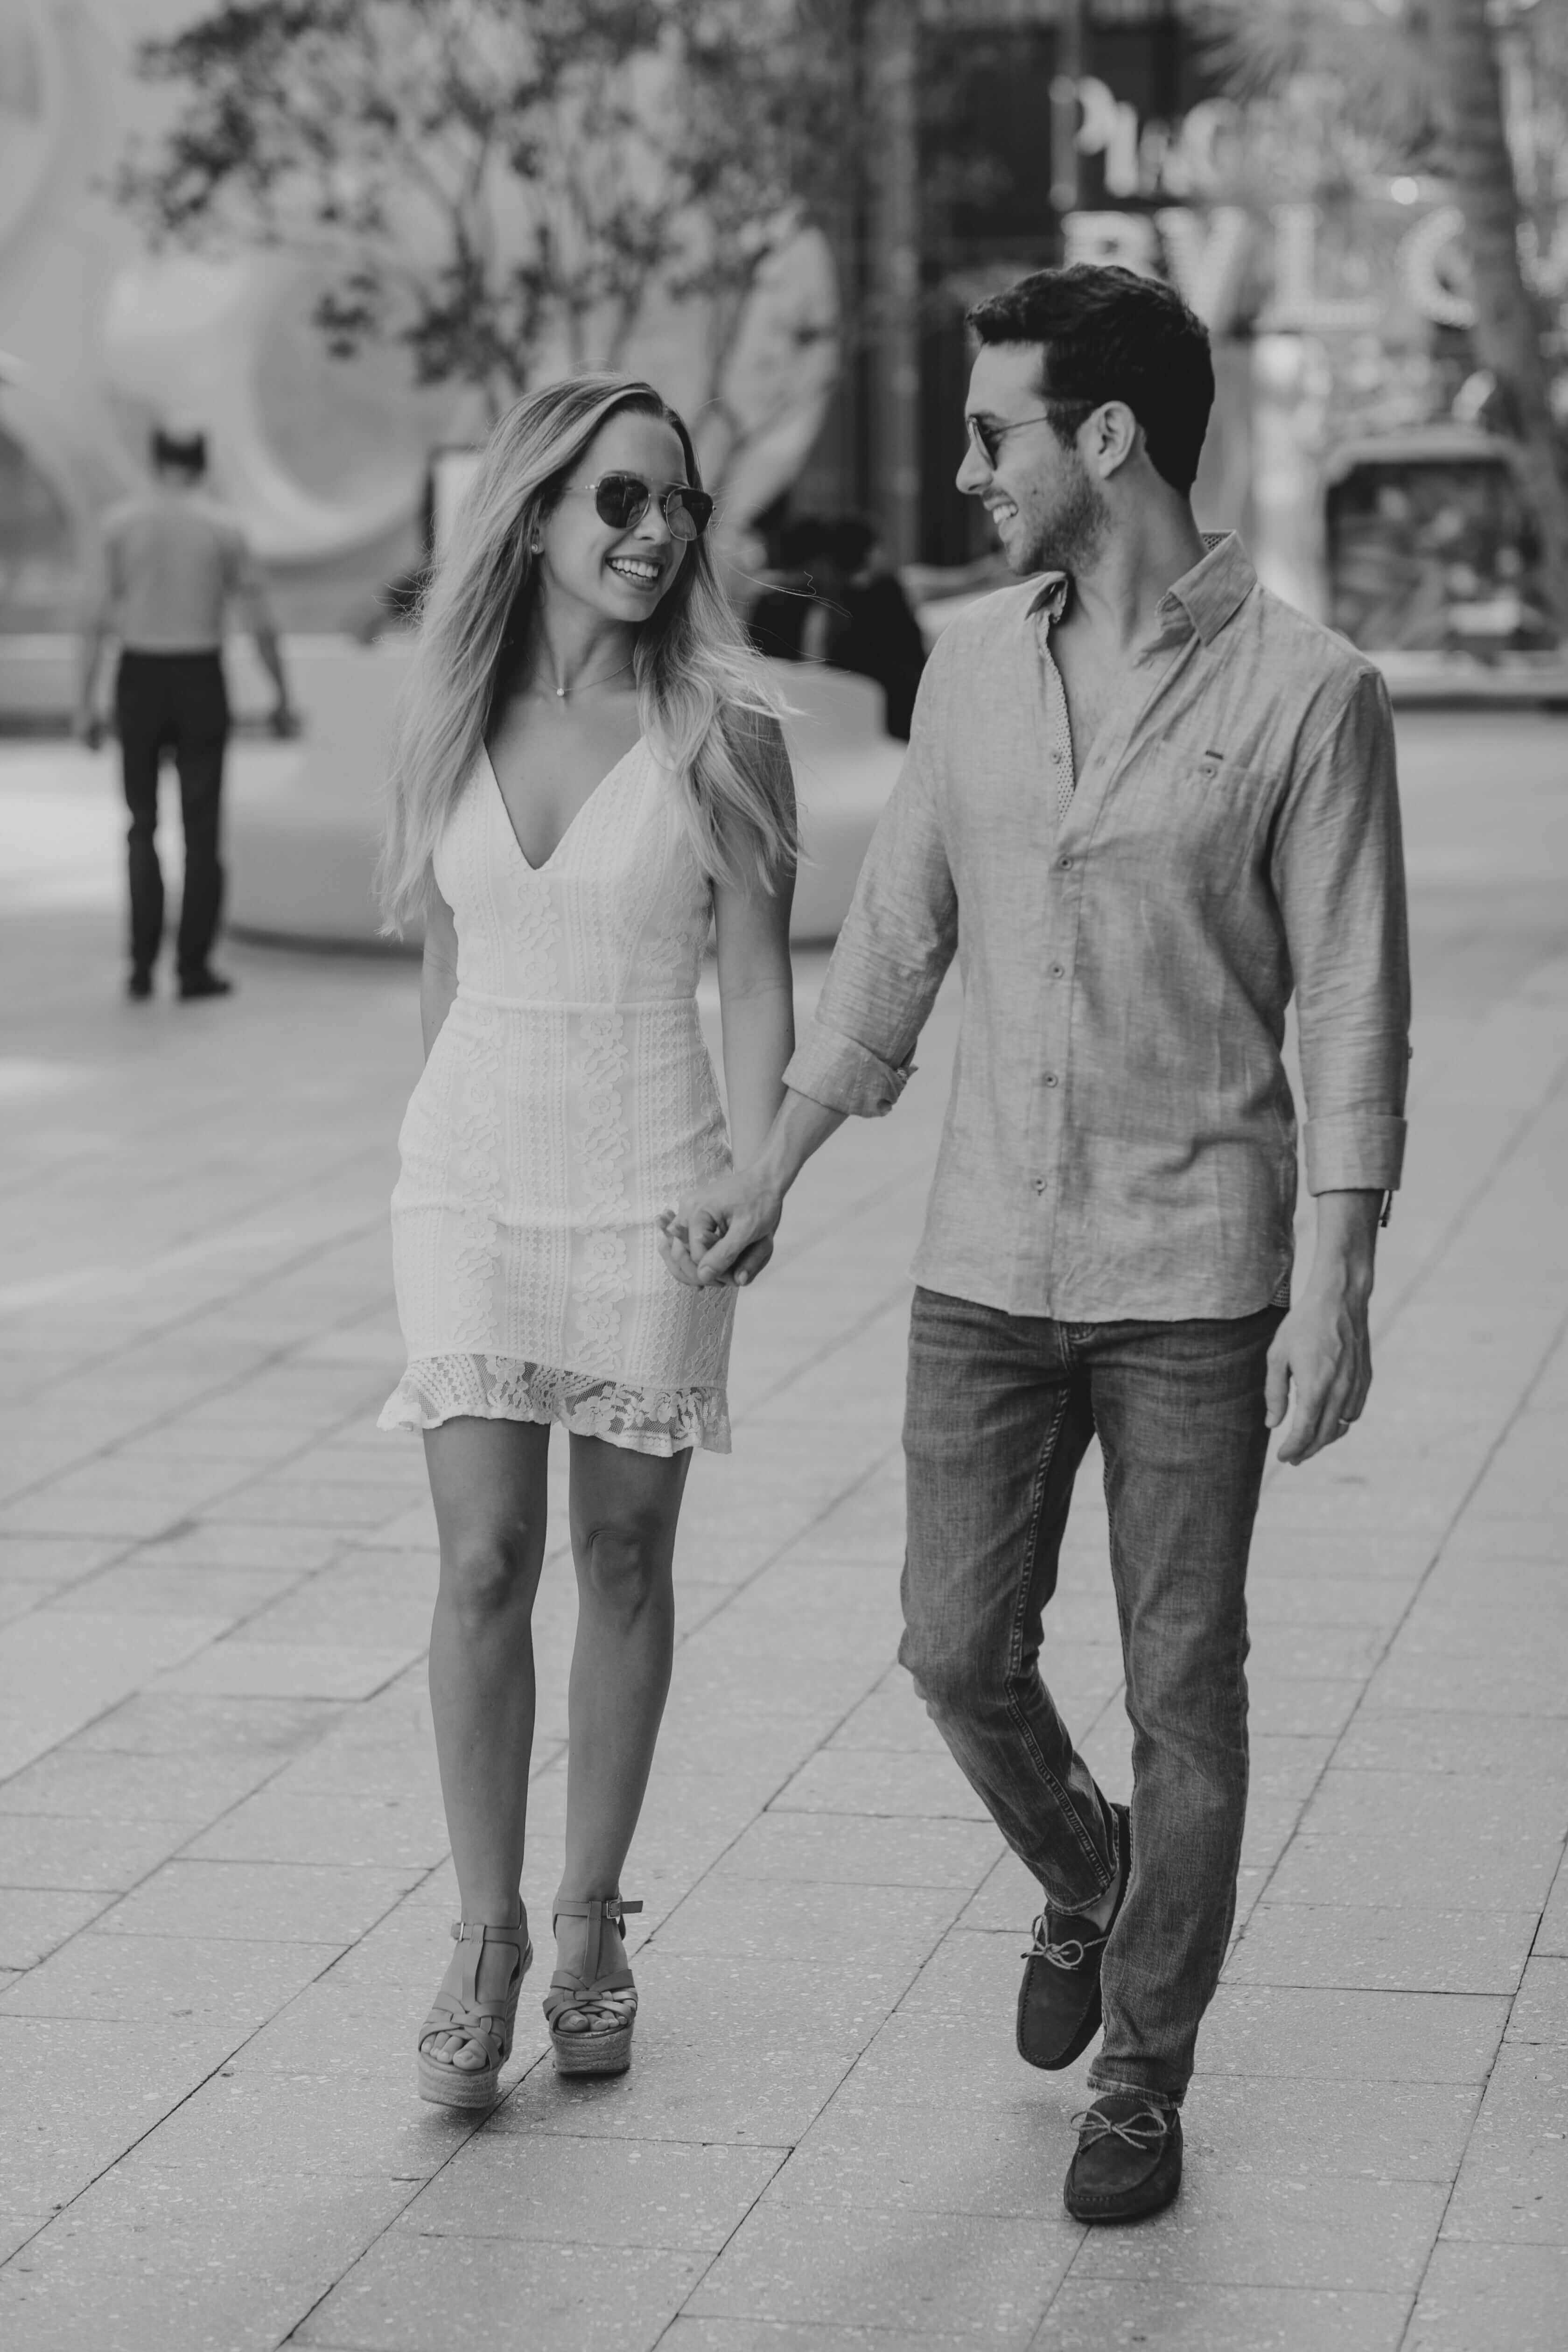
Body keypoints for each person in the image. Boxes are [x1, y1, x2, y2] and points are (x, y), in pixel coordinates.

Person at [663, 265, 1409, 2223]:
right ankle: (1090, 1873)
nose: (967, 468)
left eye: (995, 432)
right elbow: (893, 938)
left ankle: (1143, 2074)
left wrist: (1335, 1277)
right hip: (984, 1255)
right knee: (950, 1645)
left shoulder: (1309, 693)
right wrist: (775, 1164)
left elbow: (1349, 1001)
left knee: (1186, 1683)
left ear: (1108, 438)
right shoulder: (973, 667)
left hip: (1196, 1268)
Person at [376, 375, 796, 2108]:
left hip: (652, 1179)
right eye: (619, 498)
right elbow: (444, 961)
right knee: (482, 1560)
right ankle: (483, 1932)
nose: (653, 530)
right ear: (536, 509)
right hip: (472, 1183)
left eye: (674, 502)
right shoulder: (449, 713)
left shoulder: (722, 728)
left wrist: (761, 1172)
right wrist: (438, 1159)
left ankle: (590, 1919)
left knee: (622, 1558)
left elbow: (757, 979)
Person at [76, 426, 297, 1001]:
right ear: (203, 464)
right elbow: (259, 619)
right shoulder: (222, 527)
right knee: (202, 832)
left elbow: (95, 618)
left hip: (139, 677)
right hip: (200, 677)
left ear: (155, 462)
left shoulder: (120, 525)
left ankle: (140, 965)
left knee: (141, 824)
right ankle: (193, 968)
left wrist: (85, 703)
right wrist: (281, 694)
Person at [748, 514, 927, 739]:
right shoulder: (886, 596)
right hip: (888, 718)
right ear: (871, 553)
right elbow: (913, 660)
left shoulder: (794, 602)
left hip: (806, 715)